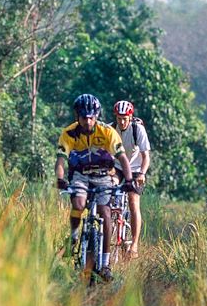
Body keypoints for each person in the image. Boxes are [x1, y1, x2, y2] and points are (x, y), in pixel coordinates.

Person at [55, 94, 135, 282]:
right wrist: (60, 178)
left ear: (97, 115)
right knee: (79, 203)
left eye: (92, 117)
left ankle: (105, 264)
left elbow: (122, 158)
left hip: (103, 175)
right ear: (77, 116)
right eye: (84, 117)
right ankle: (74, 237)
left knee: (105, 212)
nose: (88, 121)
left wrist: (129, 180)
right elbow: (60, 160)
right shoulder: (69, 133)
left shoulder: (107, 132)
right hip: (80, 175)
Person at [111, 100, 150, 259]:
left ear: (130, 117)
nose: (122, 122)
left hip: (134, 169)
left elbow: (146, 156)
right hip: (117, 167)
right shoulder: (111, 129)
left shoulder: (137, 129)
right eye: (119, 118)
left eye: (125, 118)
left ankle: (133, 245)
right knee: (110, 187)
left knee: (133, 202)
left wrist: (142, 173)